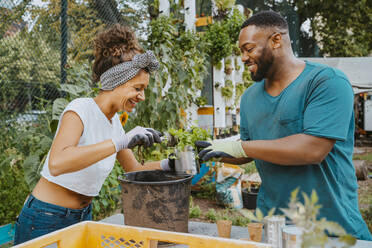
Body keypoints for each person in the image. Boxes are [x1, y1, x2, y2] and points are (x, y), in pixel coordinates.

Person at [196, 11, 372, 240]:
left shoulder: (326, 82)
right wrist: (211, 151)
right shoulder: (249, 98)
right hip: (273, 228)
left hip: (332, 230)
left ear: (276, 40)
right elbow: (250, 148)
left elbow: (313, 149)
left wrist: (242, 148)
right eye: (241, 51)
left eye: (249, 49)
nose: (243, 58)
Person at [14, 24, 173, 245]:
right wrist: (119, 142)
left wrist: (169, 164)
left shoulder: (114, 121)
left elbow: (134, 169)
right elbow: (57, 163)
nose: (142, 96)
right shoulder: (80, 109)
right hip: (45, 218)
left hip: (83, 218)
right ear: (116, 82)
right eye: (138, 88)